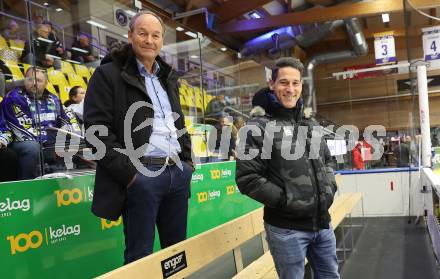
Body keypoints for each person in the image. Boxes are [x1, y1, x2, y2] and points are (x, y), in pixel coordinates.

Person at [84, 11, 194, 264]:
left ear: (162, 41)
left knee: (177, 255)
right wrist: (132, 176)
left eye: (156, 35)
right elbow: (95, 132)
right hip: (141, 177)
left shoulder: (167, 78)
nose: (149, 40)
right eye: (142, 33)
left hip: (177, 174)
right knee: (140, 258)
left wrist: (188, 162)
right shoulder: (108, 75)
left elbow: (178, 123)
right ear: (130, 35)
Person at [235, 57, 339, 279]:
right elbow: (248, 178)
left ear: (301, 85)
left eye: (295, 83)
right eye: (284, 82)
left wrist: (329, 189)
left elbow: (328, 161)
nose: (290, 89)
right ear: (271, 84)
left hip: (322, 223)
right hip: (286, 229)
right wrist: (287, 201)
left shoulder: (310, 124)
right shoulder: (257, 127)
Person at [0, 67, 81, 179]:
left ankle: (66, 186)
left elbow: (66, 120)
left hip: (50, 143)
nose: (34, 83)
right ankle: (27, 188)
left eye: (38, 80)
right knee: (33, 147)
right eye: (30, 79)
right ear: (24, 81)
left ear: (46, 83)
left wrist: (65, 140)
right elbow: (22, 131)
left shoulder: (54, 99)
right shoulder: (13, 98)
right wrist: (52, 144)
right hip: (21, 142)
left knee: (75, 145)